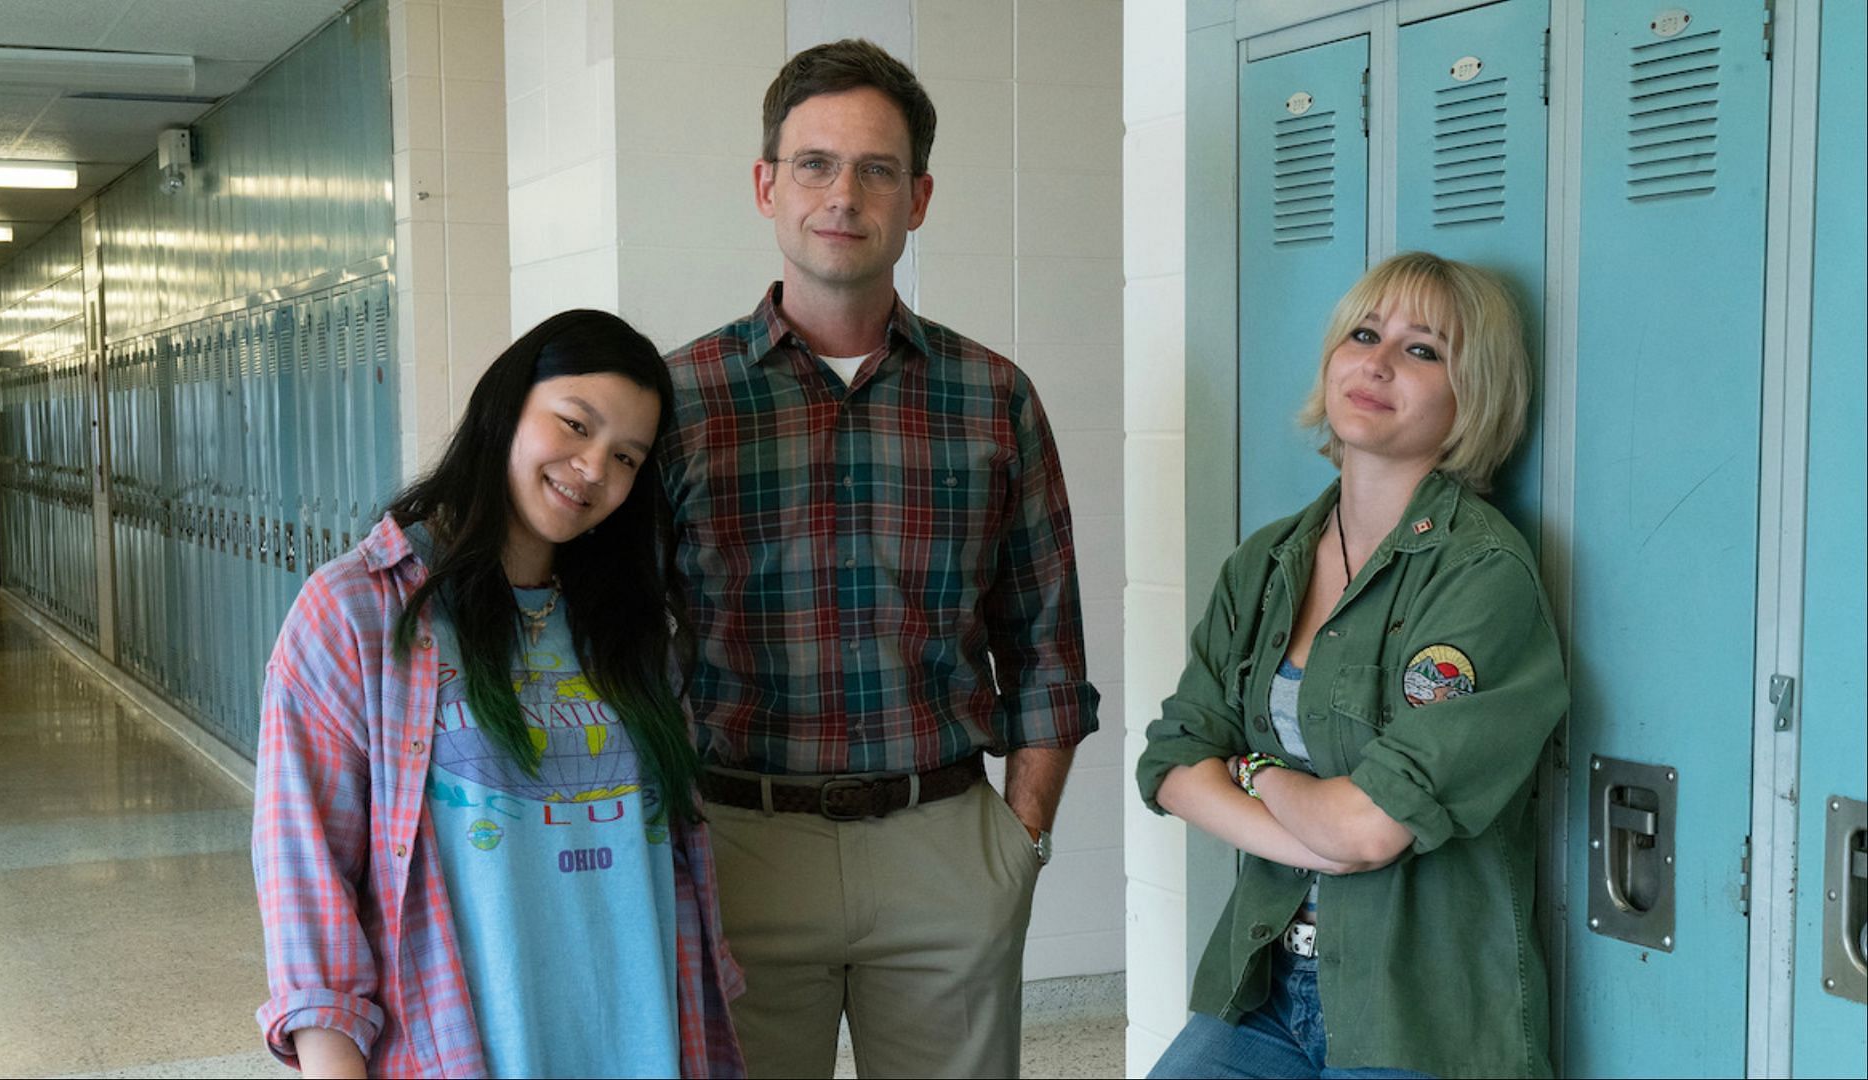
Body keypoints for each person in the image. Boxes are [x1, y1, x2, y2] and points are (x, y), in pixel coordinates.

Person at [655, 38, 1100, 1079]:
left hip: (942, 841)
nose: (842, 194)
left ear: (920, 197)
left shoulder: (994, 397)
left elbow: (1045, 643)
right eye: (814, 163)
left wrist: (1015, 845)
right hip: (738, 839)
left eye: (876, 169)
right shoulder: (678, 401)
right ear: (767, 186)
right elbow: (622, 633)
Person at [252, 310, 744, 1078]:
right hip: (467, 1049)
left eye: (625, 457)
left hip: (646, 1039)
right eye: (574, 425)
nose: (593, 469)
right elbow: (306, 880)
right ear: (505, 406)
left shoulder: (629, 625)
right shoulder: (358, 609)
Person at [1136, 252, 1567, 1078]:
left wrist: (1254, 772)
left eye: (1422, 350)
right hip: (1267, 985)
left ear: (1471, 394)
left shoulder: (1482, 575)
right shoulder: (1266, 564)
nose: (1376, 362)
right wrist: (1314, 836)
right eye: (1364, 335)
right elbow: (1172, 760)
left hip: (1421, 1010)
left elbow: (1369, 828)